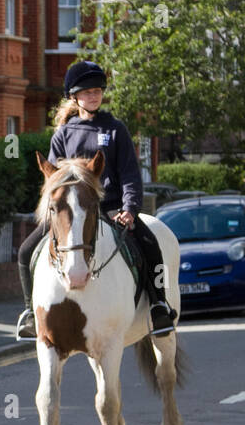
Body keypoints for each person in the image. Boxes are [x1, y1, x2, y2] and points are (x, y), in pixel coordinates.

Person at [16, 60, 177, 339]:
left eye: (98, 91)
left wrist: (129, 208)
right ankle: (31, 312)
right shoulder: (63, 134)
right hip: (71, 213)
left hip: (112, 210)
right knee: (25, 251)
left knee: (151, 245)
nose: (94, 96)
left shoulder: (115, 129)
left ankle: (159, 306)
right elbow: (54, 179)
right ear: (74, 96)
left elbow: (129, 174)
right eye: (88, 92)